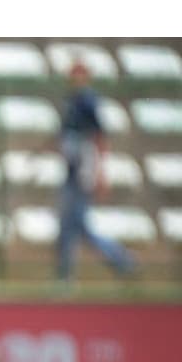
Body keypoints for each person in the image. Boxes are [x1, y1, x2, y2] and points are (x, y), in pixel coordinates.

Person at [56, 58, 137, 283]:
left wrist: (101, 173)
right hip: (70, 171)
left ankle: (121, 259)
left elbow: (99, 137)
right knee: (68, 226)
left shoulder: (88, 101)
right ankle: (66, 276)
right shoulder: (71, 100)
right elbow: (63, 135)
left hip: (84, 171)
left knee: (78, 226)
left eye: (78, 73)